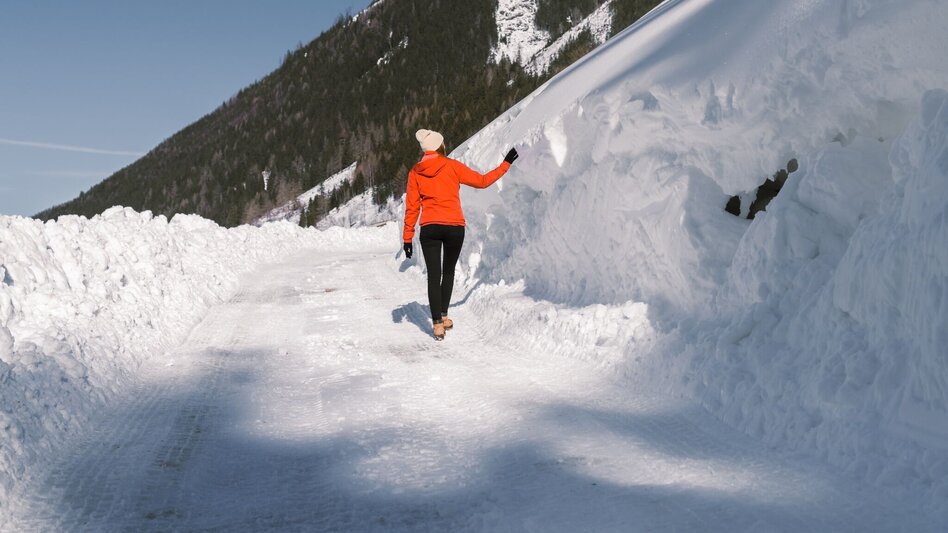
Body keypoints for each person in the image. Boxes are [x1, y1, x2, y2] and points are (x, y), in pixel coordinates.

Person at [403, 129, 519, 340]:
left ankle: (438, 323)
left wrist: (407, 237)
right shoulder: (452, 166)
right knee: (448, 272)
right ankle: (444, 315)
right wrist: (506, 164)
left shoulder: (415, 172)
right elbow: (483, 182)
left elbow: (412, 207)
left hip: (430, 228)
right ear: (440, 146)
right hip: (454, 227)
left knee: (433, 275)